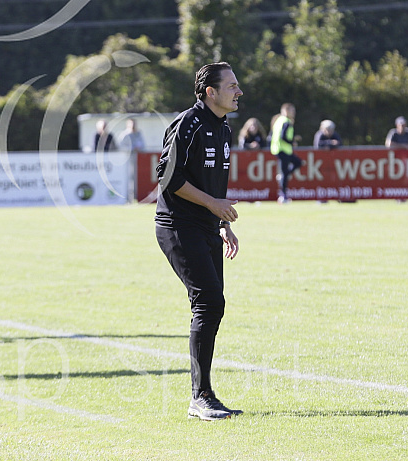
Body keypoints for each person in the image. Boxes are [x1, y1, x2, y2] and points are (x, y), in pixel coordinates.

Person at [155, 62, 243, 421]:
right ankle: (200, 397)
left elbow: (213, 187)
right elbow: (166, 177)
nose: (239, 92)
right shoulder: (187, 124)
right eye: (233, 86)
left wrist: (222, 222)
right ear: (211, 92)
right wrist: (213, 205)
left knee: (213, 305)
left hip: (205, 226)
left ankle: (204, 395)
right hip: (177, 225)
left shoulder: (223, 129)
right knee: (208, 301)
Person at [270, 103, 303, 204]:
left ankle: (284, 177)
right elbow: (283, 136)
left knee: (298, 163)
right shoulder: (286, 122)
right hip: (284, 149)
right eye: (292, 111)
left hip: (278, 148)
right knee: (286, 171)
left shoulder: (278, 120)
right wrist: (292, 142)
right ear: (286, 111)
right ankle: (283, 196)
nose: (293, 113)